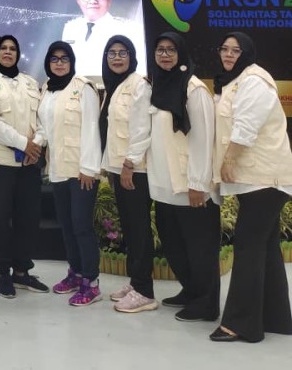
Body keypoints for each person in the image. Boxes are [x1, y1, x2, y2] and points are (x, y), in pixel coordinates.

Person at [210, 33, 292, 343]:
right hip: (257, 179)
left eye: (236, 50)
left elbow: (246, 125)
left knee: (247, 246)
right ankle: (276, 318)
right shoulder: (236, 81)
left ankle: (241, 324)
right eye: (225, 49)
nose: (229, 54)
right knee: (265, 246)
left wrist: (229, 159)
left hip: (265, 179)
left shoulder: (254, 80)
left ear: (247, 53)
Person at [147, 31, 220, 324]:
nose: (165, 55)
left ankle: (206, 304)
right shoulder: (158, 86)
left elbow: (203, 139)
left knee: (199, 248)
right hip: (165, 186)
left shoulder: (194, 89)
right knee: (175, 245)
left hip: (190, 186)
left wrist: (198, 184)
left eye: (170, 50)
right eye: (160, 50)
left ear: (181, 54)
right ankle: (190, 291)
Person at [0, 35, 48, 299]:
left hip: (29, 163)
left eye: (12, 48)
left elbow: (43, 119)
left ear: (18, 53)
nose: (8, 52)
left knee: (28, 219)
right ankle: (3, 273)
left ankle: (21, 271)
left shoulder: (30, 83)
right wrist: (23, 144)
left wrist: (36, 144)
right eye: (3, 49)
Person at [38, 41, 102, 307]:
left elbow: (92, 129)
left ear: (72, 61)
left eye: (64, 58)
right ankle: (75, 273)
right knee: (66, 225)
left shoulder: (84, 88)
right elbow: (43, 127)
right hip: (58, 168)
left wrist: (89, 168)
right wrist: (35, 144)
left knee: (81, 225)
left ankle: (91, 282)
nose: (59, 63)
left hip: (81, 170)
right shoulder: (47, 89)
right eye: (54, 59)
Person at [100, 35, 156, 314]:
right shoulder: (115, 86)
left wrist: (129, 164)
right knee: (131, 229)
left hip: (134, 170)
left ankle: (145, 291)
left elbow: (141, 129)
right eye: (112, 53)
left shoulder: (139, 85)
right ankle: (136, 282)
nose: (117, 58)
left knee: (138, 229)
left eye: (123, 52)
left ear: (132, 57)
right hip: (119, 167)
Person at [61, 0, 145, 79]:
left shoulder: (129, 30)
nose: (93, 0)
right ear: (78, 0)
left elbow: (139, 72)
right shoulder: (70, 28)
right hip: (75, 88)